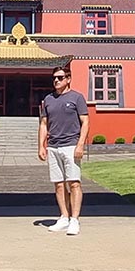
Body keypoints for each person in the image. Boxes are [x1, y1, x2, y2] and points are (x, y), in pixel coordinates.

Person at [38, 64, 89, 235]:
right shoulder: (48, 100)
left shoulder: (77, 98)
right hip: (53, 146)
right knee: (59, 184)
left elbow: (85, 122)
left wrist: (80, 144)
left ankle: (74, 220)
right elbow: (43, 124)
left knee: (74, 183)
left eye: (60, 78)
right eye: (54, 78)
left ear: (68, 79)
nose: (56, 81)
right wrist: (41, 146)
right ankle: (64, 217)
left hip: (71, 145)